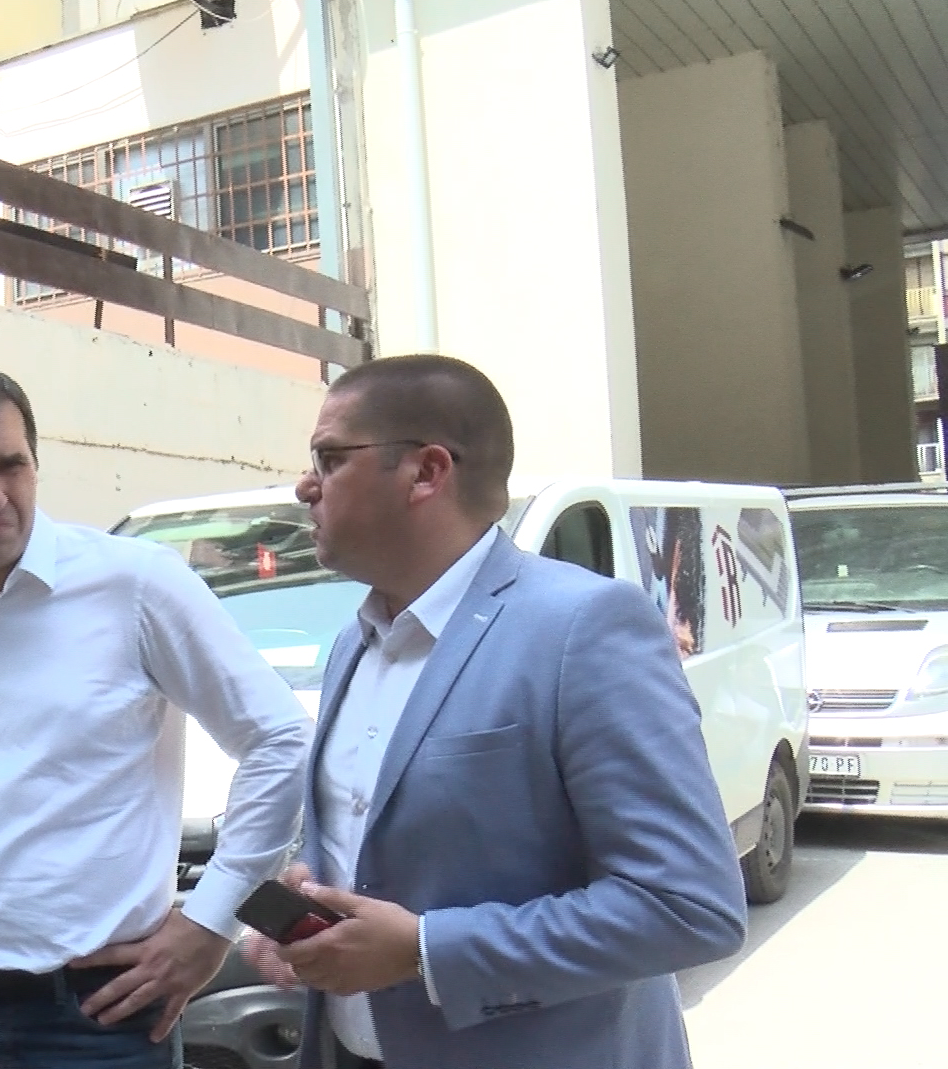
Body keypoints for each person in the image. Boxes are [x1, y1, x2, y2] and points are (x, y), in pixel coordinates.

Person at [244, 354, 747, 1069]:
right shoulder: (354, 645)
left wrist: (425, 952)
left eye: (329, 459)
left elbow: (687, 905)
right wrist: (313, 895)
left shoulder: (583, 628)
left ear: (426, 472)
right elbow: (385, 842)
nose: (305, 486)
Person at [0, 364, 310, 1069]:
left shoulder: (135, 586)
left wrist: (212, 922)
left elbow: (280, 739)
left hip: (99, 1017)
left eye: (11, 465)